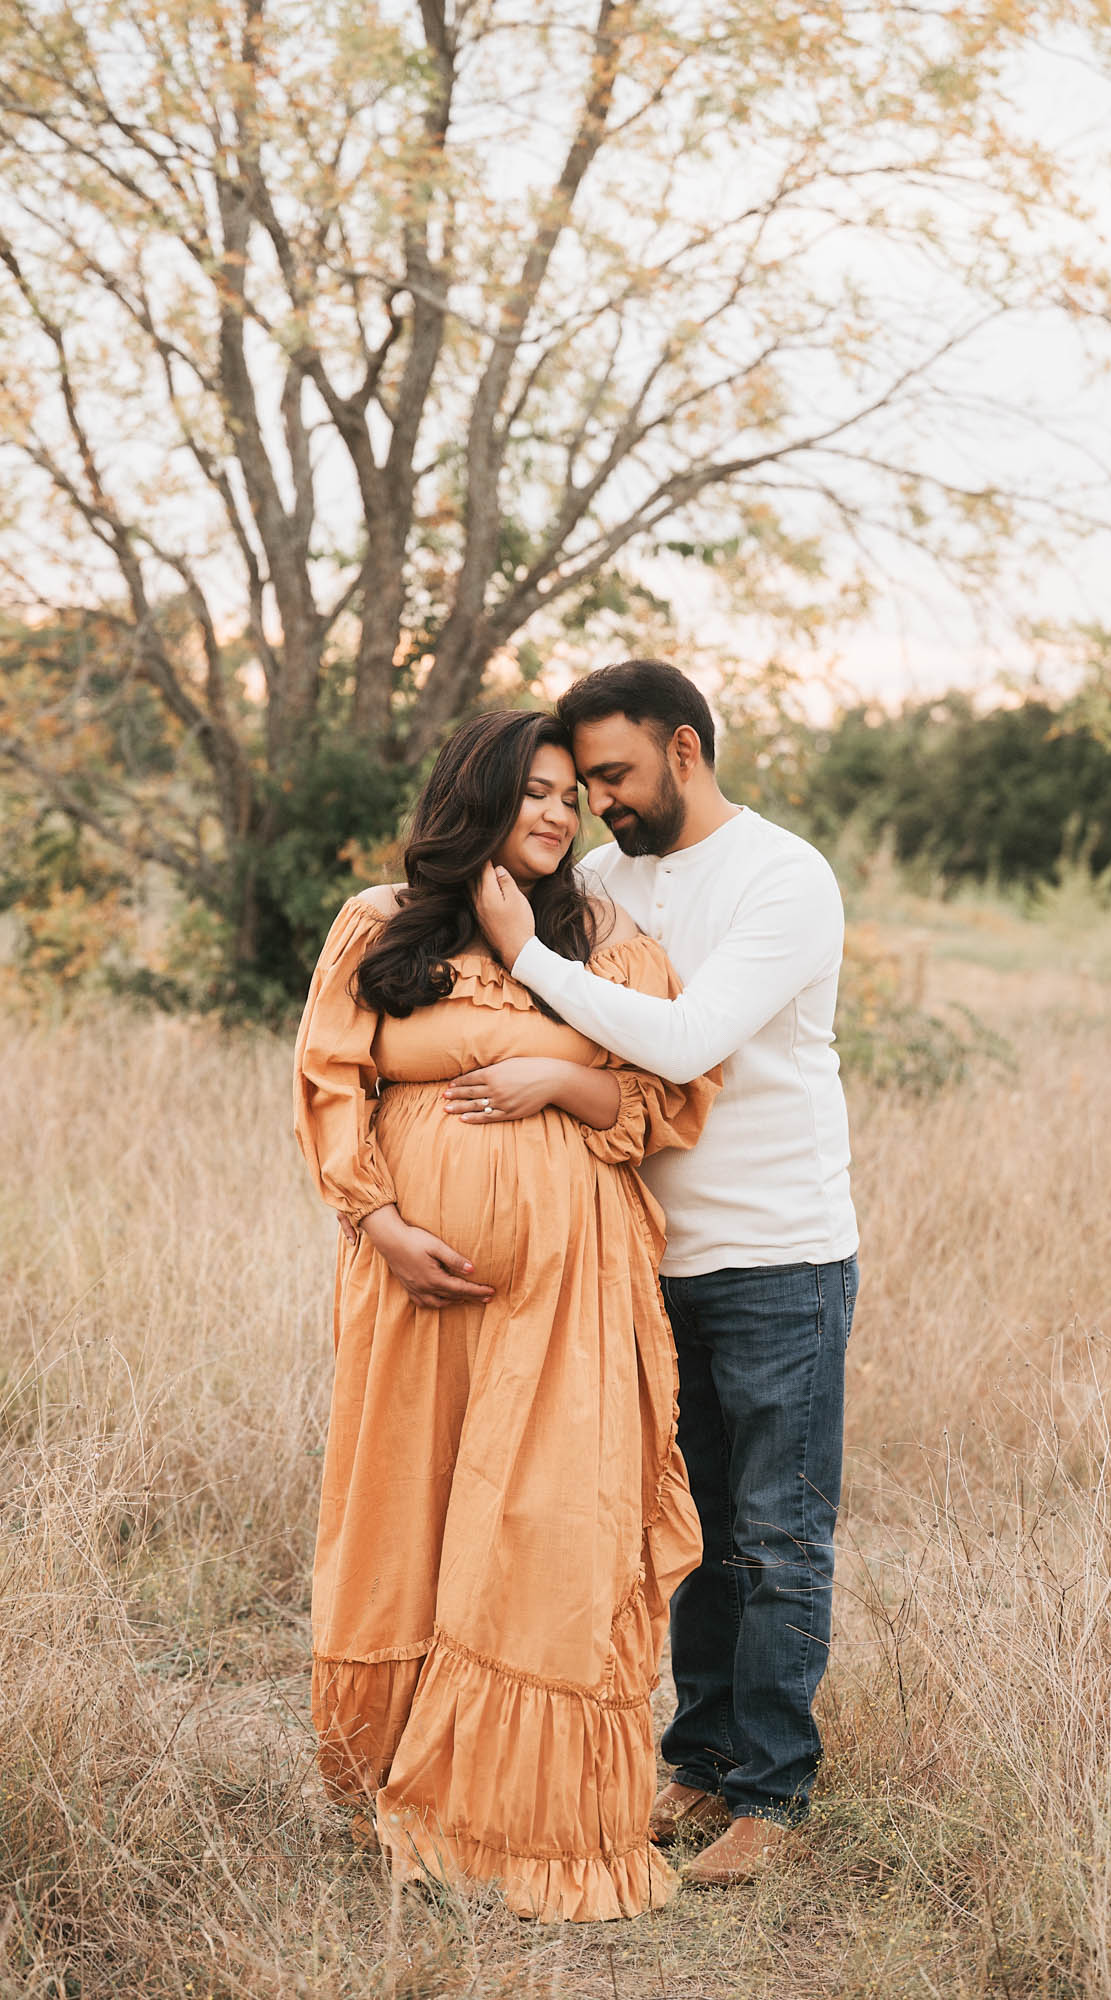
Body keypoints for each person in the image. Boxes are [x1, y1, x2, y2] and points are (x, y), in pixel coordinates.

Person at [292, 710, 718, 1923]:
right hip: (413, 1280)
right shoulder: (379, 924)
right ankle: (398, 1769)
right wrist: (379, 1223)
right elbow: (332, 1081)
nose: (553, 814)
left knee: (543, 1522)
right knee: (413, 1503)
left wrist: (558, 1075)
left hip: (569, 1284)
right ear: (471, 798)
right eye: (529, 792)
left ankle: (515, 1815)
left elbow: (670, 1091)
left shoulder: (603, 942)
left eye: (567, 797)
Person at [469, 661, 859, 1889]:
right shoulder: (601, 877)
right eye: (586, 783)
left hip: (774, 1252)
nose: (601, 801)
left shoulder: (783, 878)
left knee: (775, 1533)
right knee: (685, 1531)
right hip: (640, 1254)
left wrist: (529, 959)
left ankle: (771, 1795)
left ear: (685, 748)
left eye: (616, 775)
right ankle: (694, 1763)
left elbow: (685, 1041)